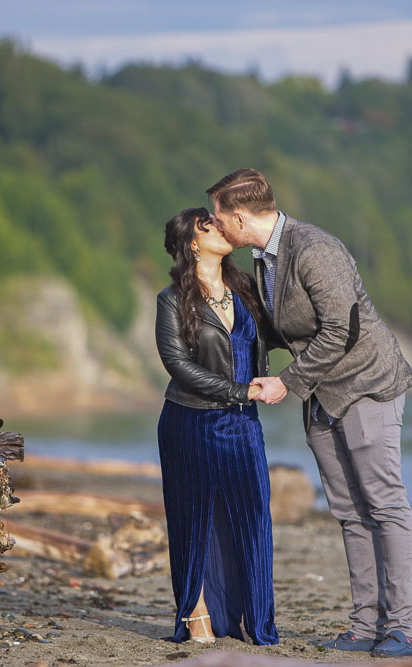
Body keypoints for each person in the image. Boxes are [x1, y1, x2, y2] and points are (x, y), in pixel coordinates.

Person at [207, 169, 412, 658]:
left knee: (384, 503)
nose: (217, 225)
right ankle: (366, 624)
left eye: (219, 217)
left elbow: (341, 330)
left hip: (367, 385)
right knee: (347, 511)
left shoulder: (313, 248)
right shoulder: (264, 259)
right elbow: (277, 331)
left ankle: (402, 629)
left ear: (240, 216)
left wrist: (288, 382)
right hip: (321, 394)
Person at [154, 207, 279, 645]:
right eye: (210, 224)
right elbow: (178, 366)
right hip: (189, 423)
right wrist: (241, 391)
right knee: (193, 520)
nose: (222, 227)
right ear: (193, 240)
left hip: (243, 426)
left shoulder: (244, 288)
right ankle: (196, 614)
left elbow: (278, 332)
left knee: (252, 519)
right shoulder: (171, 299)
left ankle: (253, 619)